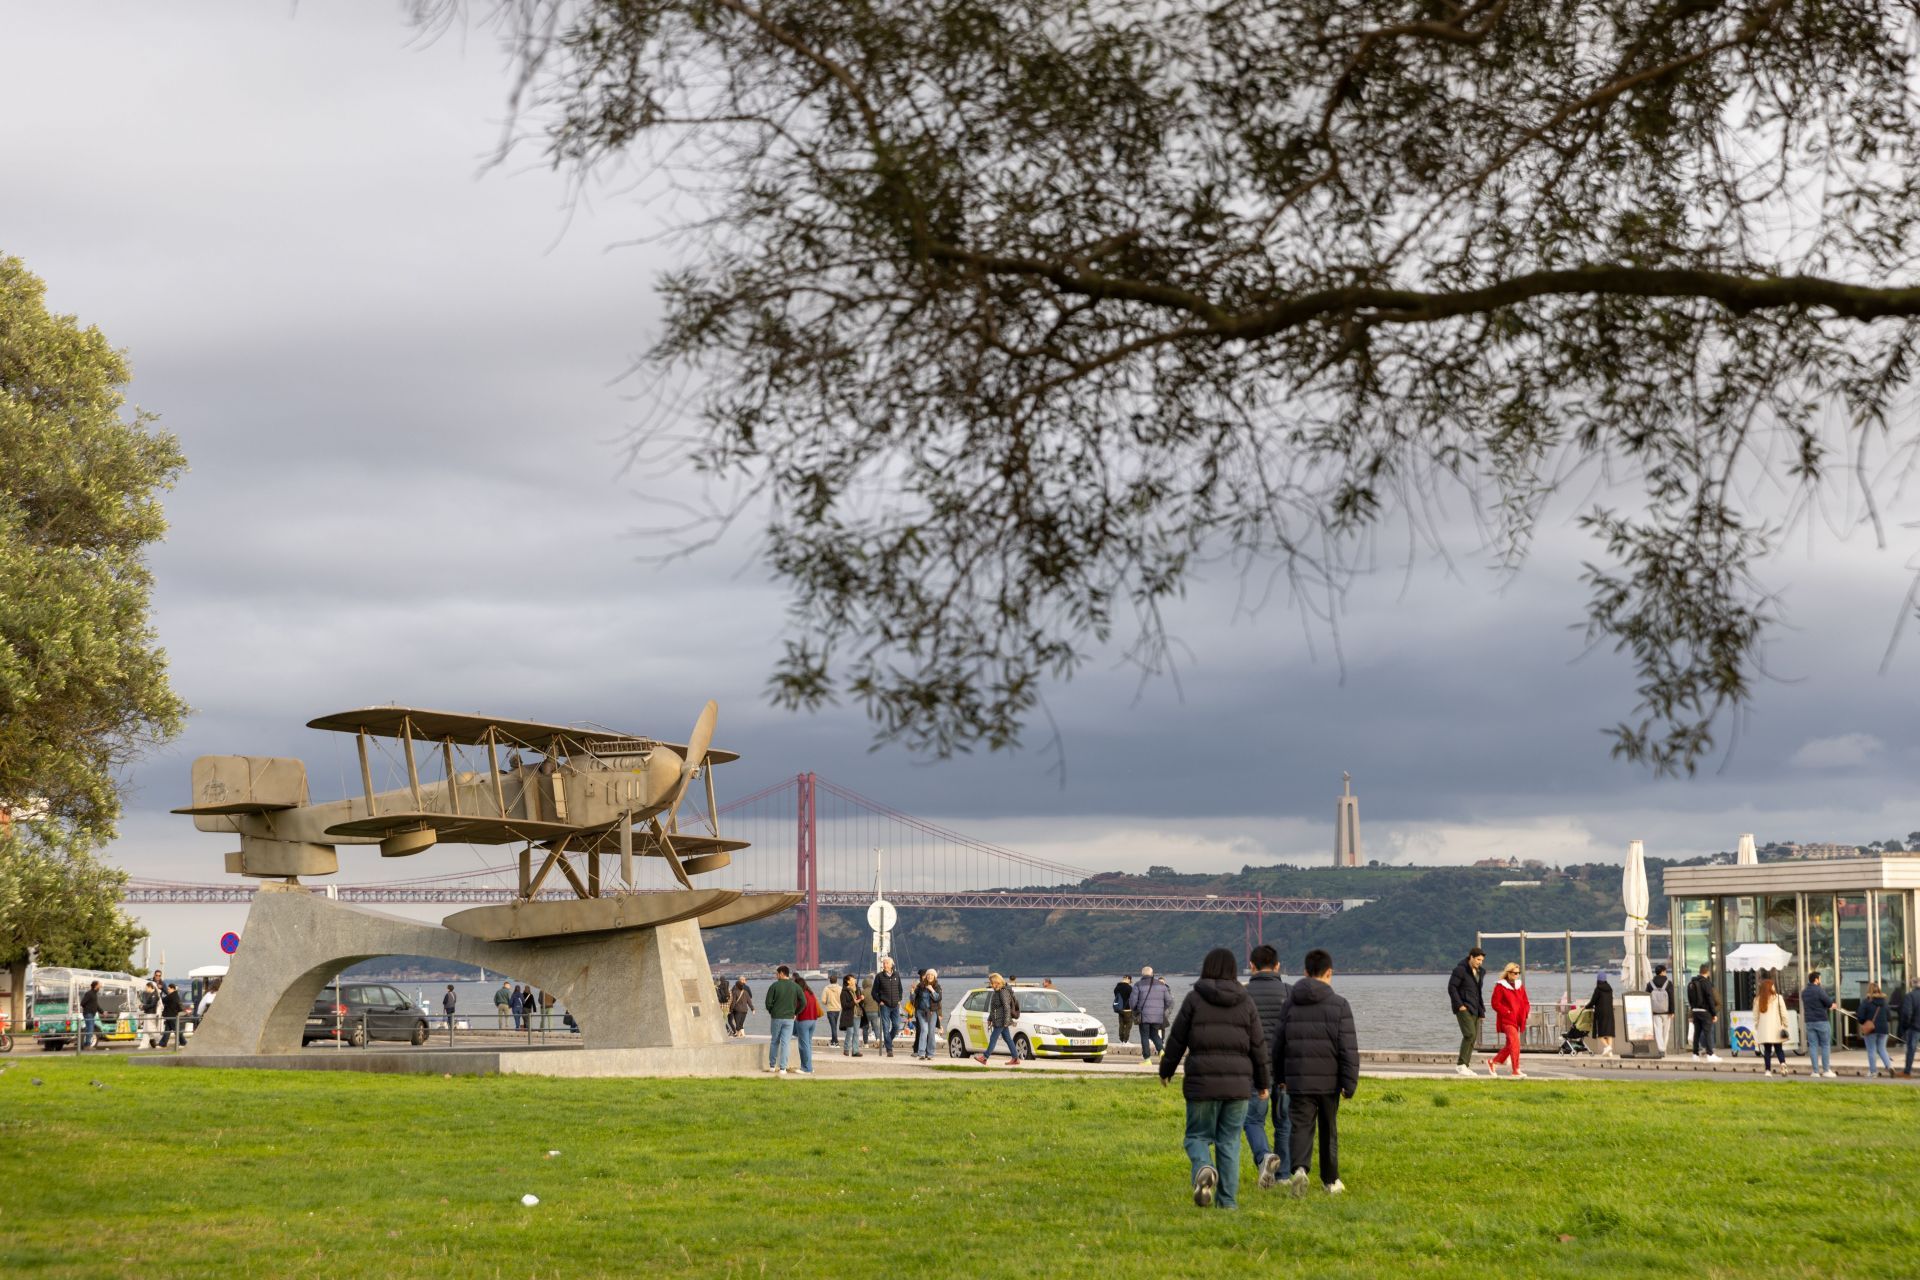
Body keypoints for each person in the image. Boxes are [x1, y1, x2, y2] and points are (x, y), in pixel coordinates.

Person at [1160, 948, 1270, 1210]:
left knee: (1197, 1136)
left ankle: (1203, 1167)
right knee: (1229, 1142)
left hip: (1202, 1085)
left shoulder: (1194, 999)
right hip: (1239, 1087)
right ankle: (1228, 1203)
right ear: (1234, 970)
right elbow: (1258, 1046)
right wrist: (1263, 1082)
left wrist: (1166, 1070)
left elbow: (1177, 1039)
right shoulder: (1246, 1001)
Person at [1274, 949, 1358, 1196]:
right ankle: (1331, 1181)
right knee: (1328, 1129)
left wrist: (1280, 1077)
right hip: (1329, 1080)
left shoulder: (1289, 1003)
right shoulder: (1340, 1005)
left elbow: (1278, 1045)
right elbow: (1348, 1048)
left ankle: (1299, 1170)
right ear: (1329, 973)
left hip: (1298, 1078)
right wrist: (1349, 1082)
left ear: (1305, 972)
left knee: (1300, 1125)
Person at [1243, 944, 1293, 1188]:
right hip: (1285, 1070)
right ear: (1277, 966)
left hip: (1254, 1070)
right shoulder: (1290, 992)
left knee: (1253, 1120)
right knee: (1284, 1122)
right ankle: (1283, 1175)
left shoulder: (1242, 994)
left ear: (1251, 966)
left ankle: (1264, 1157)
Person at [1448, 947, 1486, 1076]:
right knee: (1469, 1034)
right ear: (1471, 957)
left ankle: (1465, 1065)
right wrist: (1459, 1005)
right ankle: (1460, 1065)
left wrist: (1482, 1012)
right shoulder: (1460, 970)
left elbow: (1478, 993)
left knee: (1473, 1037)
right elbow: (1452, 987)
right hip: (1463, 1008)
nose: (1480, 962)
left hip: (1475, 1008)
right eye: (1478, 959)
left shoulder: (1481, 972)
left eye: (1482, 960)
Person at [1488, 963, 1530, 1078]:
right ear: (1508, 973)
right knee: (1515, 1043)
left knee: (1510, 1045)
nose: (1517, 975)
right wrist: (1507, 1012)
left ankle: (1493, 1062)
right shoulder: (1500, 986)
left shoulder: (1519, 985)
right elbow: (1495, 1003)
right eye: (1515, 973)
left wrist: (1525, 1011)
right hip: (1507, 1020)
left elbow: (1525, 1001)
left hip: (1518, 1020)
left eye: (1518, 973)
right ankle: (1516, 1070)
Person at [975, 972, 1022, 1065]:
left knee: (993, 1038)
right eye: (990, 983)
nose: (991, 985)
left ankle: (985, 1057)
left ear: (997, 982)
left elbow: (1006, 1007)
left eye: (992, 983)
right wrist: (990, 1018)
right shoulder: (997, 992)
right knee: (1008, 1039)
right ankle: (1015, 1058)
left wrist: (1005, 1022)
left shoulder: (1003, 992)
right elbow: (994, 1008)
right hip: (998, 1019)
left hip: (1001, 1020)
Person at [763, 965, 803, 1075]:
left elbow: (768, 1003)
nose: (776, 976)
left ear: (781, 973)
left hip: (776, 1018)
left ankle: (772, 1066)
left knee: (774, 1041)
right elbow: (803, 1002)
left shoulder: (774, 986)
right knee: (785, 1043)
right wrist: (795, 1012)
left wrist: (772, 1011)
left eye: (777, 974)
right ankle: (783, 1068)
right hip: (789, 1018)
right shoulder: (795, 986)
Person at [1132, 967, 1173, 1066]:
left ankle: (1147, 1060)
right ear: (1152, 973)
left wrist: (1135, 1010)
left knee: (1145, 1036)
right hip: (1158, 1016)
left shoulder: (1138, 985)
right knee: (1154, 1034)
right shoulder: (1162, 985)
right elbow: (1169, 1001)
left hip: (1144, 1015)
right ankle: (1162, 1052)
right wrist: (1161, 1010)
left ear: (1142, 974)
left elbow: (1132, 1002)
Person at [1753, 976, 1791, 1076]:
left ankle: (1768, 1071)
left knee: (1767, 1050)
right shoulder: (1778, 998)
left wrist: (1757, 1026)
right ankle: (1782, 1064)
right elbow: (1784, 1013)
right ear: (1770, 987)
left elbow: (1755, 1016)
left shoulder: (1757, 1000)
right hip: (1777, 1028)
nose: (1774, 987)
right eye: (1773, 986)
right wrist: (1785, 1025)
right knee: (1779, 1049)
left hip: (1764, 1030)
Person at [1800, 970, 1835, 1077]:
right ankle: (1826, 1070)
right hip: (1821, 1020)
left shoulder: (1804, 992)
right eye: (1819, 978)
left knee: (1813, 1046)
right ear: (1816, 979)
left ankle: (1815, 1071)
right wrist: (1831, 1006)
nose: (1820, 980)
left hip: (1809, 1021)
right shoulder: (1819, 990)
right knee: (1825, 1045)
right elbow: (1828, 1002)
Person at [871, 957, 904, 1057]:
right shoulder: (879, 976)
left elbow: (900, 989)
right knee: (885, 1027)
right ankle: (889, 1050)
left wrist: (899, 999)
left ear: (891, 965)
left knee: (897, 1026)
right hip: (884, 1005)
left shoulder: (897, 975)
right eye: (883, 963)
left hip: (895, 1005)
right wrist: (879, 1001)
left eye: (886, 963)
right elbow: (874, 992)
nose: (884, 965)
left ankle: (887, 1040)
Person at [1687, 962, 1721, 1061]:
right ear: (1708, 972)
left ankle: (1695, 1054)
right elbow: (1710, 998)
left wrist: (1693, 1009)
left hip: (1695, 1011)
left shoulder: (1691, 983)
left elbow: (1689, 998)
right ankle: (1710, 1054)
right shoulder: (1706, 983)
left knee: (1696, 1033)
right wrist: (1714, 1013)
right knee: (1708, 1032)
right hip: (1705, 1011)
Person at [1858, 982, 1892, 1078]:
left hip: (1871, 1030)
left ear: (1869, 991)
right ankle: (1889, 1066)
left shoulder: (1866, 1002)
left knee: (1871, 1050)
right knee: (1882, 1049)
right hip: (1884, 1029)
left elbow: (1860, 1016)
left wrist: (1864, 1022)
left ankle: (1873, 1072)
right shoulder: (1884, 1002)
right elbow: (1889, 1017)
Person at [793, 973, 820, 1075]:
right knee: (808, 1044)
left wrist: (795, 1012)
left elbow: (798, 1006)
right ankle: (809, 1067)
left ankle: (806, 1068)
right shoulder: (810, 993)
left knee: (803, 1045)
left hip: (803, 1020)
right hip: (813, 1020)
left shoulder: (801, 994)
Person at [1645, 964, 1676, 1052]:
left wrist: (1649, 1011)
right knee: (1665, 1031)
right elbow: (1671, 998)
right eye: (1665, 971)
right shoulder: (1668, 983)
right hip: (1666, 1012)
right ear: (1662, 972)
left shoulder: (1650, 984)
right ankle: (1664, 1048)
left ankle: (1661, 1049)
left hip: (1655, 1012)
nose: (1666, 973)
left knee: (1658, 1030)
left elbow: (1647, 997)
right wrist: (1672, 1011)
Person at [1585, 972, 1617, 1057]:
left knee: (1600, 1033)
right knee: (1609, 1033)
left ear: (1598, 980)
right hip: (1610, 1012)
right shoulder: (1610, 989)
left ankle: (1607, 1047)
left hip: (1601, 1013)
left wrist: (1586, 1007)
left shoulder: (1598, 989)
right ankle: (1610, 1052)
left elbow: (1593, 1001)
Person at [912, 969, 942, 1059]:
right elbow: (913, 998)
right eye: (928, 975)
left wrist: (932, 990)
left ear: (934, 977)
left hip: (932, 1012)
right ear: (926, 976)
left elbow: (938, 998)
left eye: (932, 975)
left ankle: (930, 1053)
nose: (929, 976)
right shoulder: (920, 986)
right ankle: (921, 1053)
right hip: (921, 1011)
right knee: (924, 1030)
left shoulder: (937, 986)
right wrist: (912, 992)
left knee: (931, 1032)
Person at [839, 975, 863, 1056]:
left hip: (857, 1014)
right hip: (849, 1015)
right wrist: (854, 1002)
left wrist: (861, 999)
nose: (855, 980)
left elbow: (860, 1003)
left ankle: (855, 1051)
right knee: (850, 1032)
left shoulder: (857, 990)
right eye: (853, 979)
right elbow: (844, 1005)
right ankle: (846, 1049)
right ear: (848, 981)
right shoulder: (844, 992)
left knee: (856, 1033)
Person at [80, 980, 105, 1051]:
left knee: (89, 1029)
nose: (100, 986)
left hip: (91, 1014)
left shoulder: (94, 994)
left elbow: (96, 1005)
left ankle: (87, 1045)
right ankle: (87, 1045)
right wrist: (88, 1009)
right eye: (99, 985)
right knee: (90, 1029)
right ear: (95, 986)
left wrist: (102, 1012)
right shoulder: (89, 993)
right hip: (88, 1014)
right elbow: (82, 1003)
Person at [158, 983, 185, 1048]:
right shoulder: (174, 995)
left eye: (169, 989)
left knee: (176, 1030)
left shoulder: (172, 995)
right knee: (167, 1030)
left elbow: (163, 1000)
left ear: (172, 989)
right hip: (171, 1015)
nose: (168, 990)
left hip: (171, 1015)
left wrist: (160, 992)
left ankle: (183, 1042)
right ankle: (162, 1044)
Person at [1903, 982, 1920, 1078]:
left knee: (1911, 1049)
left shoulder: (1910, 996)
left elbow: (1906, 1013)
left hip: (1915, 1027)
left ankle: (1907, 1071)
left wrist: (1906, 1026)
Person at [1113, 973, 1136, 1044]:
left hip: (1119, 1009)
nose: (1130, 982)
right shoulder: (1129, 988)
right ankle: (1125, 1041)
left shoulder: (1117, 987)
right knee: (1128, 1026)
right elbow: (1133, 999)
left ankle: (1121, 1040)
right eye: (1130, 980)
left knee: (1121, 1025)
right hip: (1128, 1009)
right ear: (1128, 979)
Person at [138, 981, 161, 1047]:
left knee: (151, 1029)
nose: (146, 989)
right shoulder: (151, 994)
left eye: (146, 987)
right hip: (148, 1013)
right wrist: (143, 1006)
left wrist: (144, 1006)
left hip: (151, 1014)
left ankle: (160, 1040)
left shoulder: (155, 995)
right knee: (146, 1030)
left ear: (150, 987)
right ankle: (144, 1044)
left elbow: (153, 1005)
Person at [858, 981, 880, 1046]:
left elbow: (861, 1003)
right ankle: (878, 1039)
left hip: (866, 1012)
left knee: (865, 1028)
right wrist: (879, 1012)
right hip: (875, 1012)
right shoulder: (876, 991)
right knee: (876, 1027)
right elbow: (878, 1002)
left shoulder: (863, 992)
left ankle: (866, 1044)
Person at [823, 972, 843, 1044]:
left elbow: (823, 1000)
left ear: (830, 980)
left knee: (833, 1026)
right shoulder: (840, 988)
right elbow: (842, 999)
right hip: (838, 1009)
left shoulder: (826, 988)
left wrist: (827, 1003)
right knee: (834, 1025)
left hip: (830, 1009)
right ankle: (833, 1040)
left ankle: (835, 1041)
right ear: (836, 980)